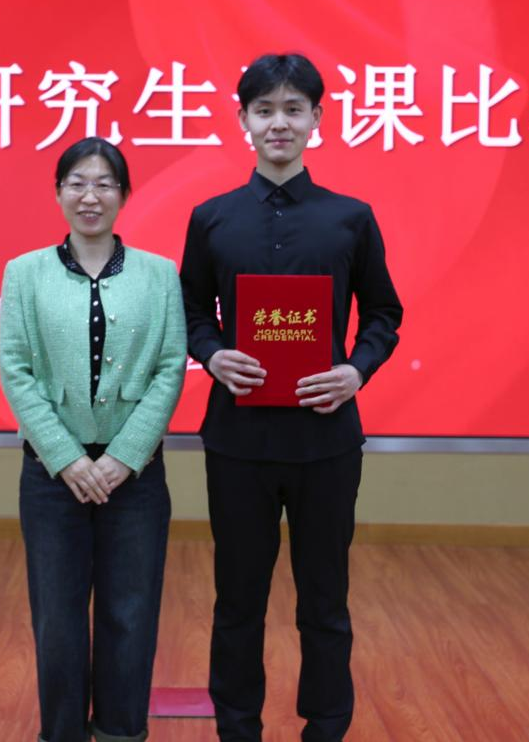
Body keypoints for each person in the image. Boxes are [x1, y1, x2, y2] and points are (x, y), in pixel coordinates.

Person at [179, 54, 403, 742]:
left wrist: (356, 370)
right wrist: (213, 353)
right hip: (238, 442)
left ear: (316, 119)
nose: (279, 122)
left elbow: (384, 314)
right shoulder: (211, 218)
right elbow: (191, 310)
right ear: (243, 120)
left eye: (293, 109)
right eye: (265, 110)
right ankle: (237, 729)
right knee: (237, 601)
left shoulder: (350, 218)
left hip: (325, 440)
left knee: (325, 602)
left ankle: (325, 728)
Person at [0, 136, 187, 742]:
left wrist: (125, 457)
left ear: (124, 195)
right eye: (77, 183)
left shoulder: (159, 275)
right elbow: (16, 370)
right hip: (53, 477)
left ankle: (122, 732)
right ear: (58, 193)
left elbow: (170, 368)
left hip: (135, 478)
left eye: (104, 183)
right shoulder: (24, 273)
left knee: (130, 615)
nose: (90, 195)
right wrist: (67, 458)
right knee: (57, 619)